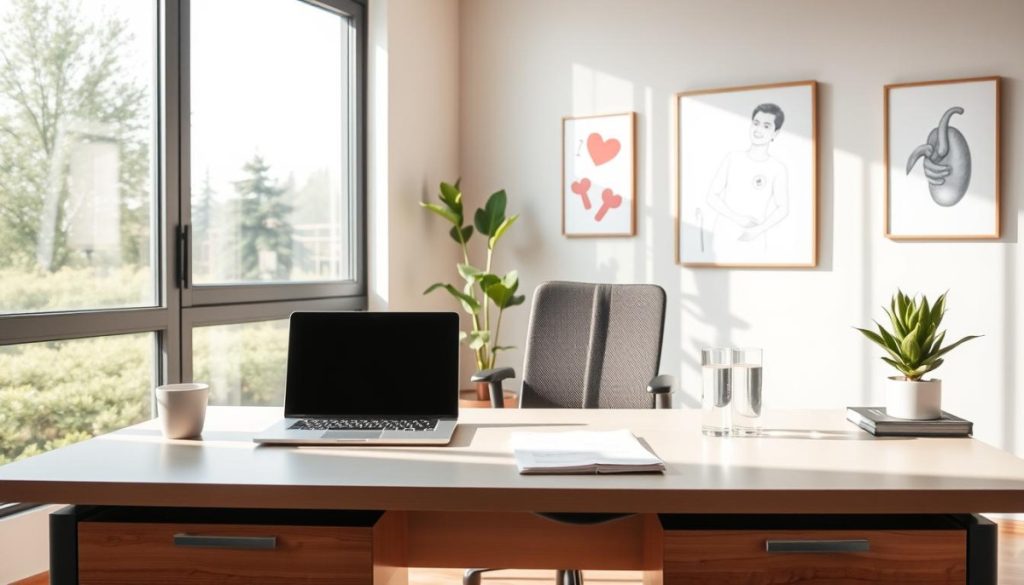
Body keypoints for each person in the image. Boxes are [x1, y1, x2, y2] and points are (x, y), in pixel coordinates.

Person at [705, 103, 790, 257]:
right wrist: (738, 219)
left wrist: (757, 230)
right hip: (723, 235)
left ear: (775, 134)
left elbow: (783, 208)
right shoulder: (733, 158)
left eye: (766, 126)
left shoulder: (777, 168)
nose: (758, 130)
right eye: (756, 123)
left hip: (754, 240)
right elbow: (712, 196)